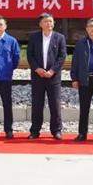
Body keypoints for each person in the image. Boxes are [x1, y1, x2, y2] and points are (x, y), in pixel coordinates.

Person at [27, 12, 67, 140]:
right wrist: (37, 68)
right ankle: (35, 130)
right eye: (46, 21)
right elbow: (30, 55)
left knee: (55, 104)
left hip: (53, 77)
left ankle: (56, 130)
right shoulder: (34, 37)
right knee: (37, 104)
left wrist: (53, 70)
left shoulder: (59, 37)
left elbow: (62, 56)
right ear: (40, 24)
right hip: (37, 76)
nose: (49, 23)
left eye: (50, 21)